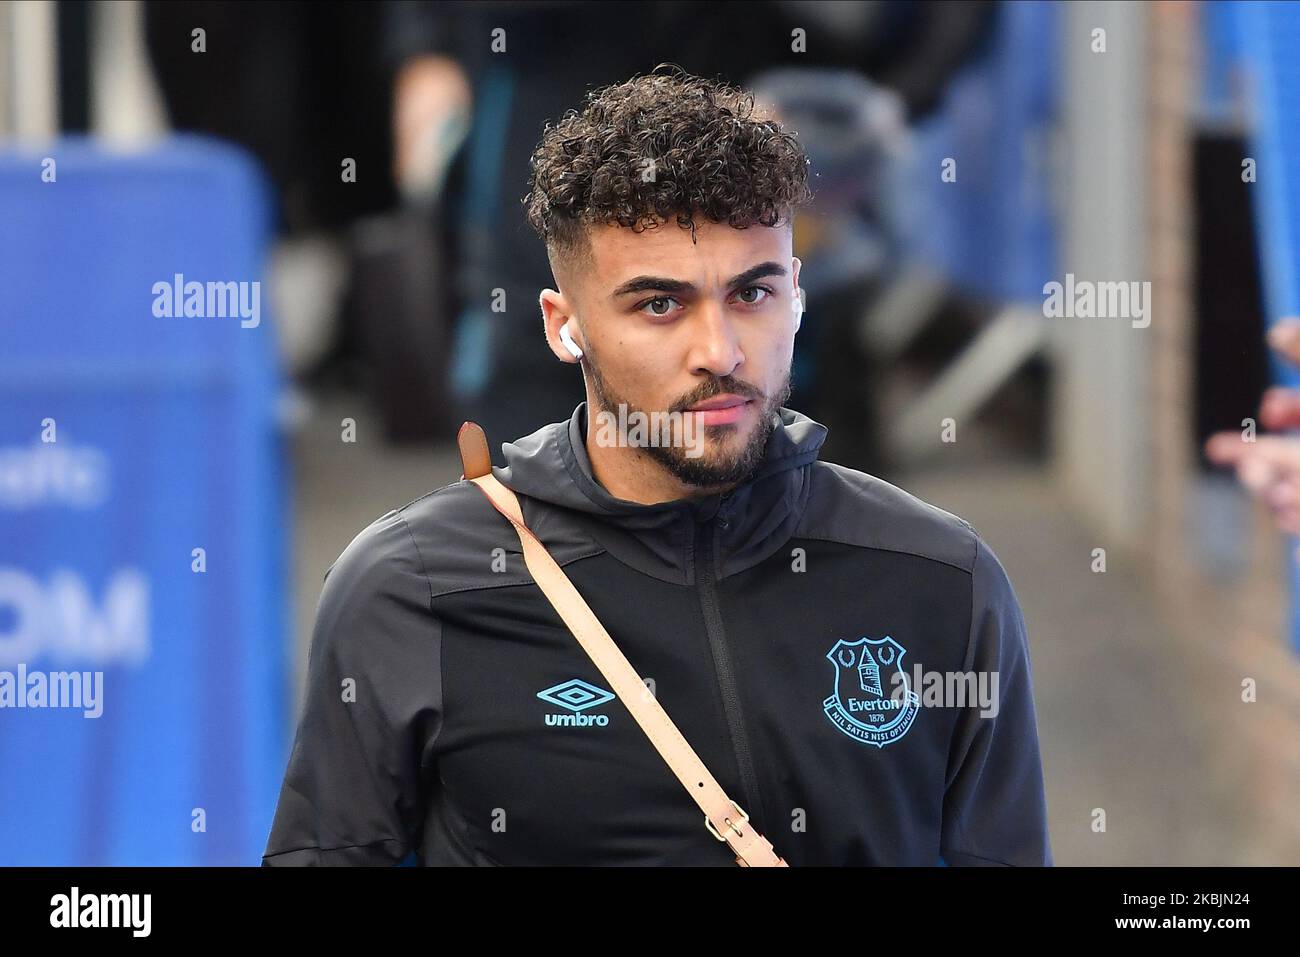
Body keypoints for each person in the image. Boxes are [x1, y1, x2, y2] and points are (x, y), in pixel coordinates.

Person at [262, 69, 1052, 866]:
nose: (720, 352)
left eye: (752, 293)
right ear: (563, 327)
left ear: (798, 296)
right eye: (660, 305)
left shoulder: (940, 580)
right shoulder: (416, 587)